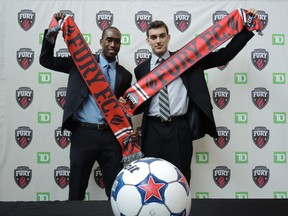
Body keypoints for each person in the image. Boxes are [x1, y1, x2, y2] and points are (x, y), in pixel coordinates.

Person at [123, 9, 259, 184]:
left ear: (168, 37)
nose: (158, 41)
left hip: (179, 128)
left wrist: (247, 29)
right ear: (148, 41)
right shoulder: (140, 69)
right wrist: (127, 105)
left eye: (162, 36)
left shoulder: (186, 58)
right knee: (152, 178)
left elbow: (223, 56)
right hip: (152, 131)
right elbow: (142, 104)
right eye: (154, 37)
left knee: (180, 177)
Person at [39, 12, 132, 200]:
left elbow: (126, 108)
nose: (113, 44)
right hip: (83, 134)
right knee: (76, 190)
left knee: (117, 193)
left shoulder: (125, 75)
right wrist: (52, 33)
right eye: (109, 40)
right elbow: (46, 61)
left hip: (111, 137)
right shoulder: (82, 62)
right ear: (101, 41)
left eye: (117, 41)